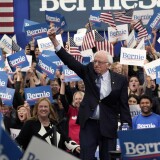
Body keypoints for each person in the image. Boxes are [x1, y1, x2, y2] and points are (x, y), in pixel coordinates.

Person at [47, 27, 132, 160]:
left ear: (108, 65)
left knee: (108, 157)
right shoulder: (88, 71)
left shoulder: (120, 80)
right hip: (89, 124)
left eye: (99, 62)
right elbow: (70, 62)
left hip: (108, 125)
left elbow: (124, 105)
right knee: (86, 157)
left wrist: (127, 128)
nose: (96, 64)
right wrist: (54, 41)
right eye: (95, 61)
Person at [16, 97, 80, 154]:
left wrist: (76, 147)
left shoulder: (54, 123)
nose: (43, 109)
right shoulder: (30, 123)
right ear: (37, 109)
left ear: (49, 109)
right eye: (41, 106)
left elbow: (66, 139)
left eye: (45, 106)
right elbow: (19, 141)